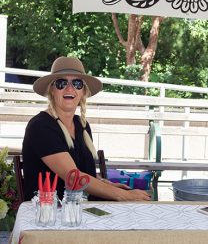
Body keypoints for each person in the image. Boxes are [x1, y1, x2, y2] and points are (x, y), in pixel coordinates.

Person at [23, 56, 151, 201]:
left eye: (77, 83)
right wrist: (125, 196)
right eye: (61, 83)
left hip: (78, 208)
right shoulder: (40, 126)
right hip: (47, 213)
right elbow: (74, 177)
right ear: (52, 90)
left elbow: (83, 171)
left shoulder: (81, 125)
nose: (70, 88)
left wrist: (106, 184)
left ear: (83, 91)